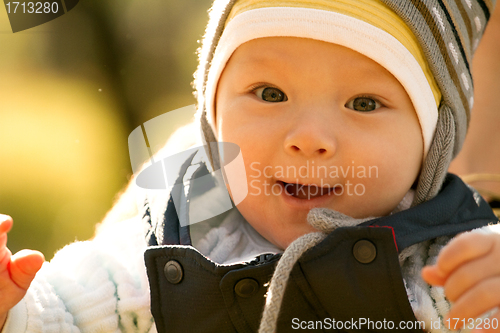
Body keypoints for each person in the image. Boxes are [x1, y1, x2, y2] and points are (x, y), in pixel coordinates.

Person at [1, 0, 499, 332]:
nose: (309, 139)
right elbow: (66, 312)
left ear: (433, 143)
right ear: (211, 122)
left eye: (365, 103)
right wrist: (16, 306)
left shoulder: (450, 263)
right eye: (270, 94)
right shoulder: (175, 237)